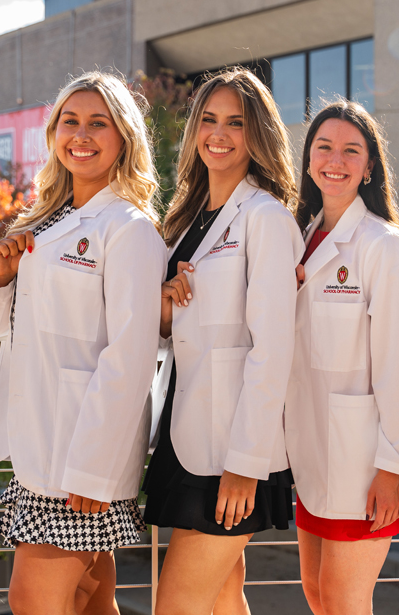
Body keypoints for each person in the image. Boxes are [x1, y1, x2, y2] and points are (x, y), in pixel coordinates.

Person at [0, 71, 166, 615]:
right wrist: (4, 275)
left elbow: (129, 357)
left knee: (33, 600)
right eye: (70, 122)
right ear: (54, 133)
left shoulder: (129, 229)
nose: (81, 134)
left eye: (97, 123)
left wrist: (93, 468)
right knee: (91, 602)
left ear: (124, 136)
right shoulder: (46, 220)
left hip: (81, 457)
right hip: (40, 444)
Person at [143, 68, 303, 615]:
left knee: (179, 604)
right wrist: (163, 307)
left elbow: (273, 346)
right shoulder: (186, 217)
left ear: (256, 134)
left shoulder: (267, 217)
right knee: (222, 599)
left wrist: (247, 461)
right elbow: (175, 328)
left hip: (231, 450)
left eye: (236, 122)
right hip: (187, 428)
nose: (219, 133)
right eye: (209, 120)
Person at [285, 100, 399, 615]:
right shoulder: (298, 237)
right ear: (308, 160)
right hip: (312, 448)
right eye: (324, 147)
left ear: (369, 167)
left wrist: (394, 468)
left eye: (351, 150)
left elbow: (398, 364)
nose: (335, 160)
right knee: (317, 593)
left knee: (345, 602)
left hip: (364, 460)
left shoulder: (383, 244)